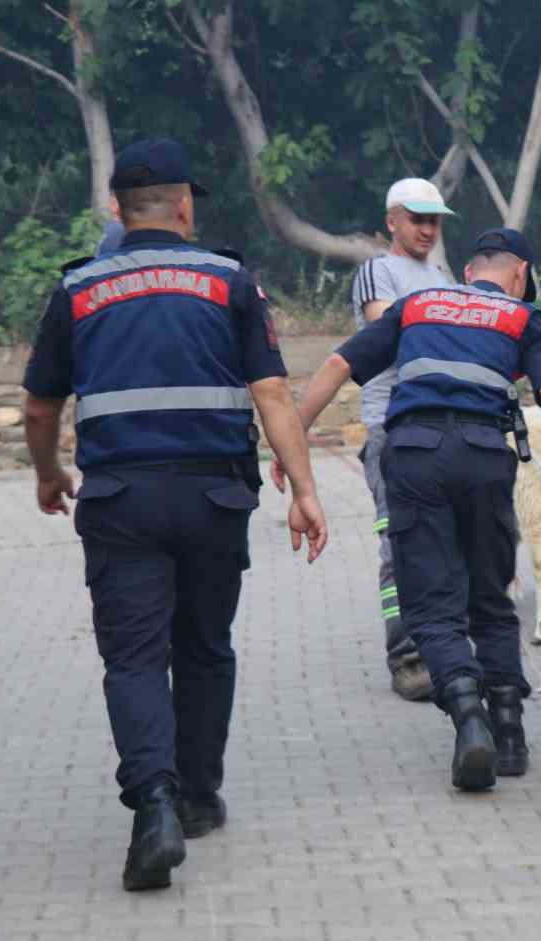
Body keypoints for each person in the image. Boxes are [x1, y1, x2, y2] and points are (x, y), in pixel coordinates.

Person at [22, 137, 329, 892]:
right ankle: (197, 794)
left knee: (132, 659)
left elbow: (39, 403)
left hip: (121, 501)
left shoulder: (79, 290)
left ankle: (152, 806)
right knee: (203, 647)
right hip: (214, 498)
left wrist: (48, 472)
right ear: (185, 205)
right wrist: (306, 489)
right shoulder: (229, 281)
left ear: (116, 210)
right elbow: (273, 395)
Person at [285, 227, 541, 792]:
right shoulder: (521, 317)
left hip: (413, 455)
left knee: (432, 605)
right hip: (486, 458)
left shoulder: (416, 305)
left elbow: (340, 365)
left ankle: (469, 720)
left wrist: (293, 442)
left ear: (468, 272)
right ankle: (509, 731)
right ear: (520, 274)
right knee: (490, 594)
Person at [273, 178, 455, 703]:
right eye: (416, 218)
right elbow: (389, 332)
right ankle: (407, 657)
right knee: (399, 541)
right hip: (393, 427)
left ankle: (445, 647)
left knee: (442, 543)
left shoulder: (438, 273)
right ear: (392, 221)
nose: (426, 228)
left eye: (434, 219)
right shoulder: (380, 269)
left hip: (440, 424)